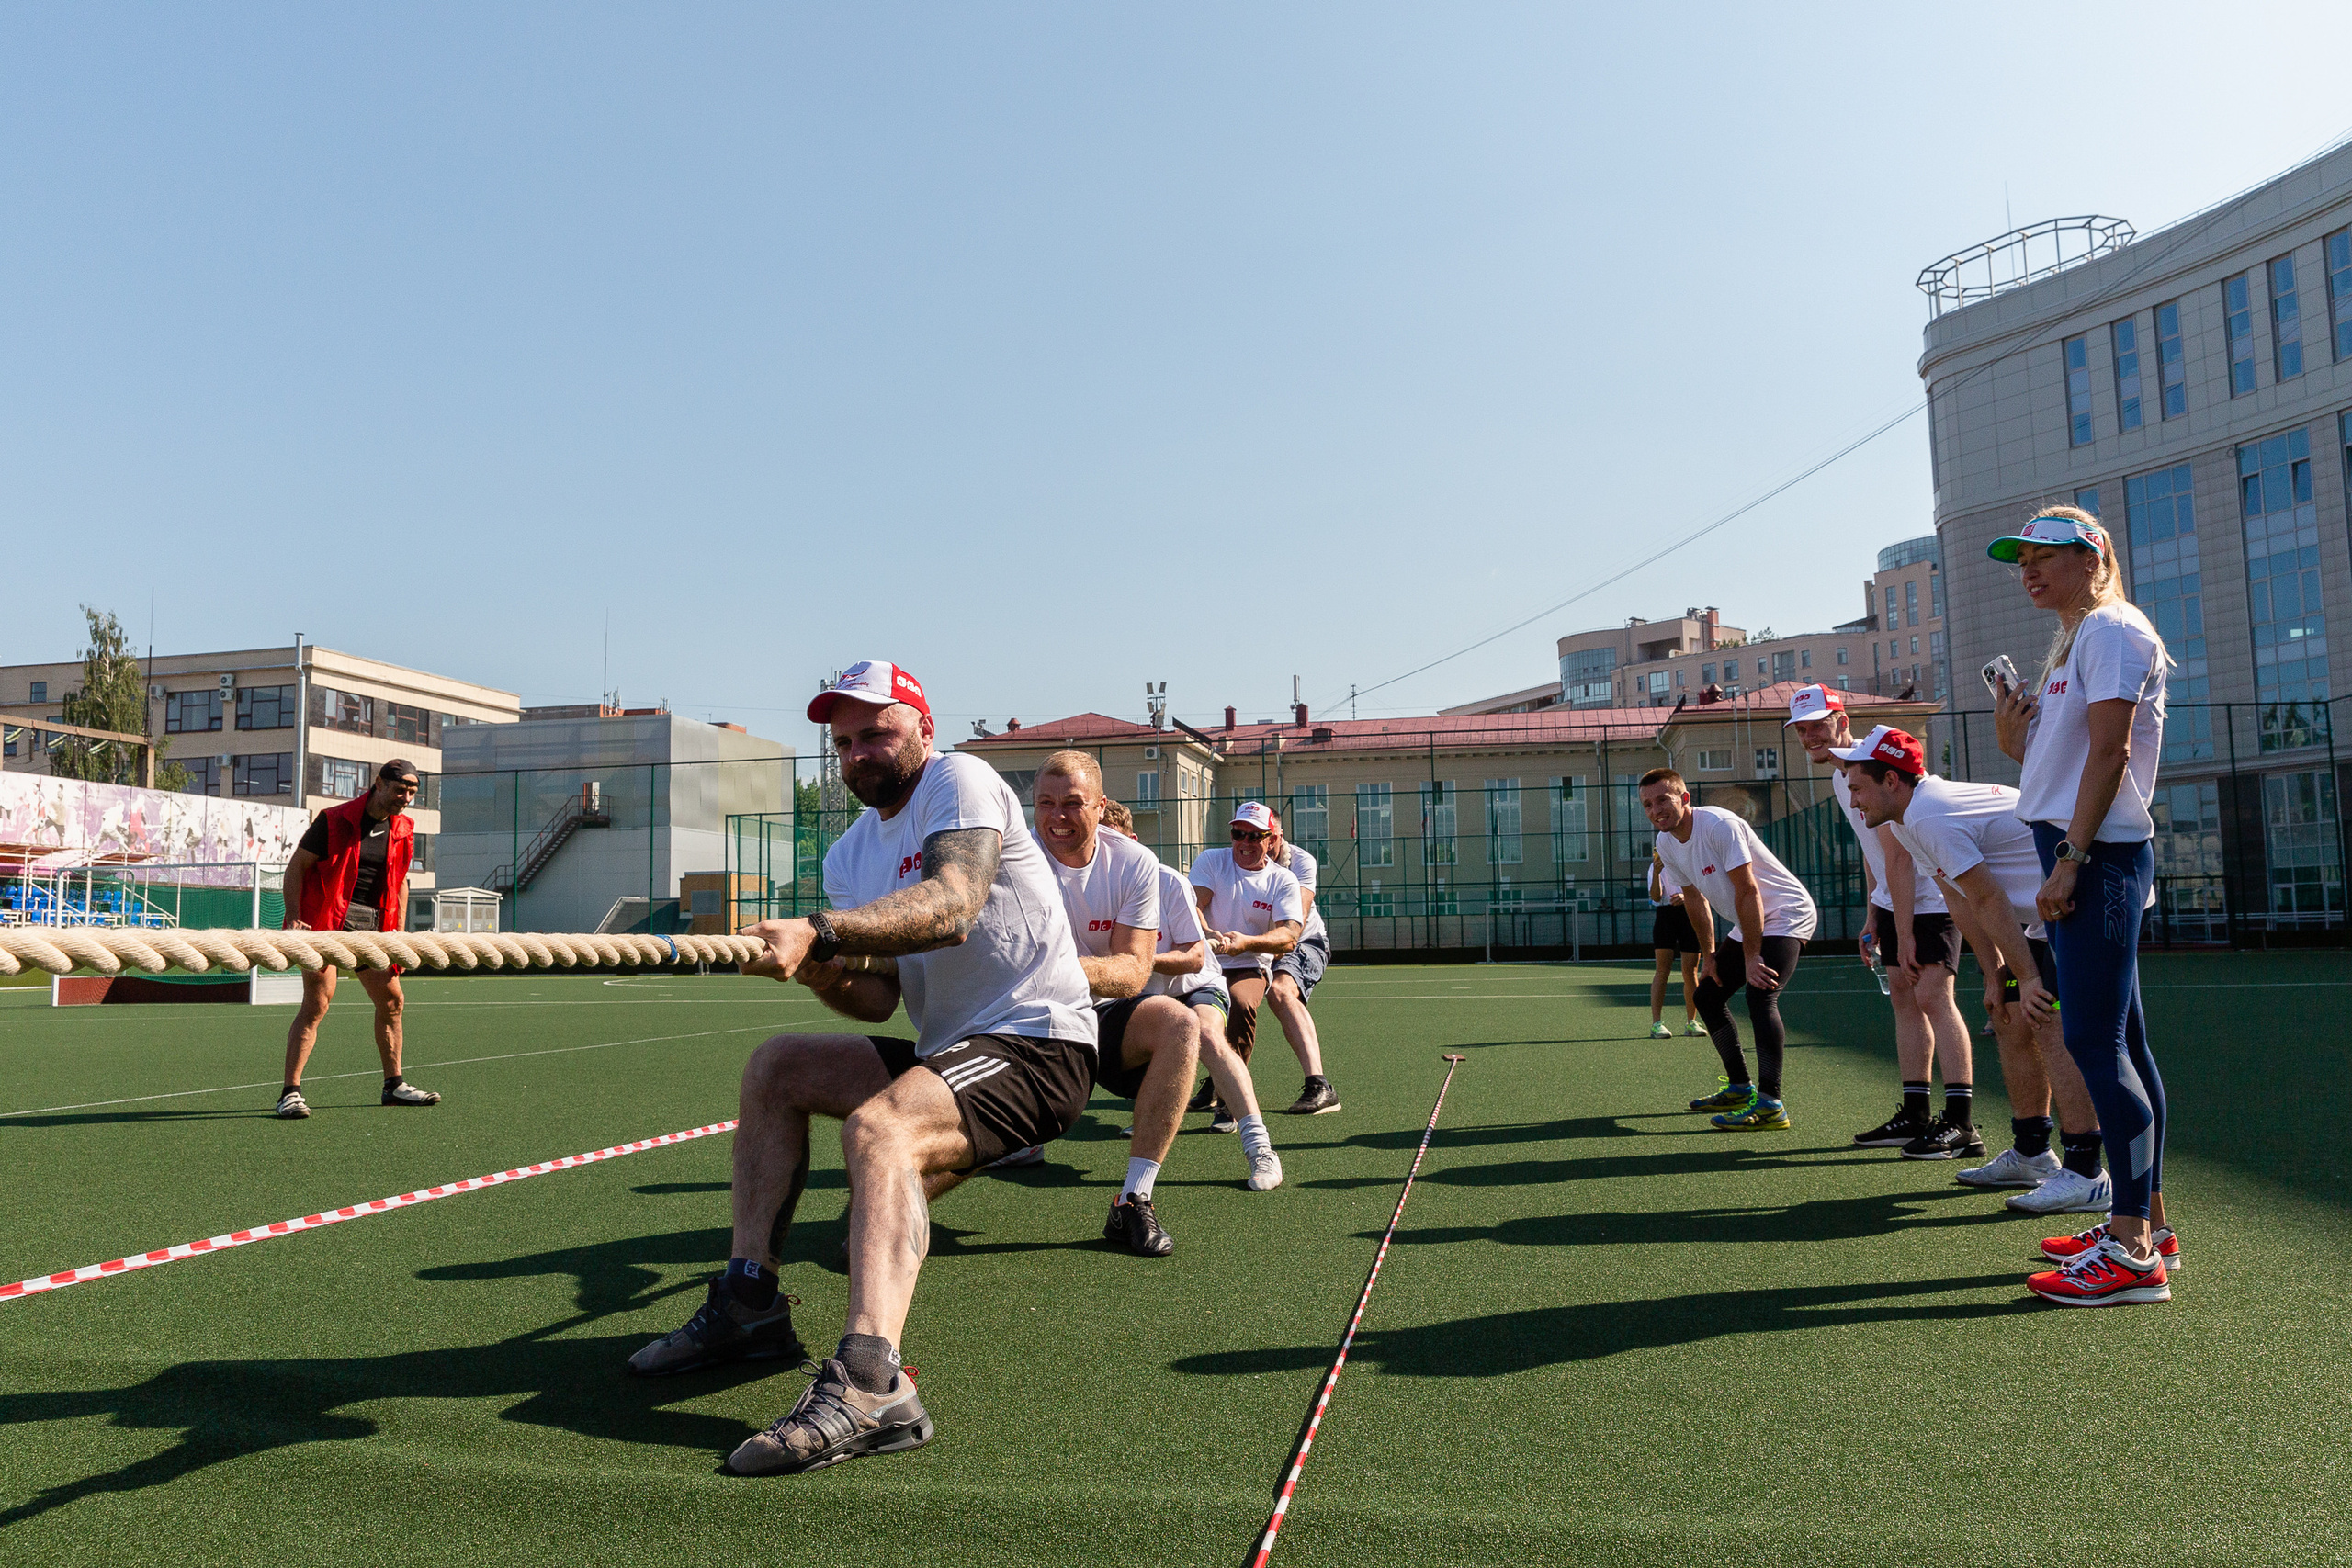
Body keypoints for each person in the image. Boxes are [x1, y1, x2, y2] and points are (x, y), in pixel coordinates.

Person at [626, 661, 1099, 1474]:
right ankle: (750, 1304)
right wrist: (828, 971)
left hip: (1039, 1044)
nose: (857, 753)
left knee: (880, 1128)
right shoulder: (851, 853)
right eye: (842, 741)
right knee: (777, 1066)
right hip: (947, 1046)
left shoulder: (961, 780)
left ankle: (873, 1382)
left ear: (922, 727)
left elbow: (953, 905)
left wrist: (825, 931)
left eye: (877, 730)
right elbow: (879, 1001)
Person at [1993, 508, 2179, 1304]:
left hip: (2096, 856)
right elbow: (2070, 758)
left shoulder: (2111, 629)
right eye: (2022, 560)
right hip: (2080, 850)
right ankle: (2151, 1224)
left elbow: (2110, 753)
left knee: (2094, 1042)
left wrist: (2070, 858)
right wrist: (2017, 743)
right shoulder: (2077, 640)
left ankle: (2134, 1250)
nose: (2029, 569)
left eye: (2046, 556)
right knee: (2122, 1041)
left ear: (2092, 557)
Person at [1836, 726, 2111, 1218]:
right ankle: (2031, 1153)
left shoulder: (1929, 816)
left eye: (1858, 787)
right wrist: (1994, 973)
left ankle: (2087, 1171)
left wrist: (2024, 978)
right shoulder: (1906, 819)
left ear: (1892, 781)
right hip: (2042, 919)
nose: (1852, 799)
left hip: (2081, 904)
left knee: (2048, 1025)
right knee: (2009, 1020)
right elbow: (1958, 898)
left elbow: (1987, 897)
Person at [1784, 684, 1975, 1158]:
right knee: (1905, 1002)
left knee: (1933, 996)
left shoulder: (1873, 762)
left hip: (1930, 896)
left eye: (1817, 725)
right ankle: (1915, 1113)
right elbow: (1874, 849)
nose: (1809, 736)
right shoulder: (1840, 774)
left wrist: (1906, 932)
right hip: (1895, 901)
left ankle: (1961, 1124)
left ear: (1841, 719)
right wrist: (1875, 910)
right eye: (1801, 729)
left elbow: (1902, 857)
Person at [1027, 751, 1204, 1255]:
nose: (1057, 816)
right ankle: (892, 1212)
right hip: (1019, 1018)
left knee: (1181, 1024)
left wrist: (1053, 970)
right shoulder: (1011, 860)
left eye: (1073, 803)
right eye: (1045, 803)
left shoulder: (1133, 862)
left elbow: (1131, 971)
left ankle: (1133, 1200)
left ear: (1101, 807)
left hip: (1097, 1012)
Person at [1101, 799, 1282, 1190]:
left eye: (1113, 843)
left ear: (1133, 843)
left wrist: (1137, 963)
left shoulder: (1167, 881)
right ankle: (1024, 1140)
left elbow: (1195, 957)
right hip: (1137, 998)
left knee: (1207, 1035)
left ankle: (1260, 1147)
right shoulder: (1084, 887)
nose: (1103, 853)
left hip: (1195, 984)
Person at [1639, 769, 1818, 1131]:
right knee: (1707, 996)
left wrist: (1752, 957)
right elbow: (1694, 898)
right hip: (1748, 921)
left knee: (1760, 994)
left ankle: (1770, 1105)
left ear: (1684, 798)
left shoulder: (1720, 825)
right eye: (1647, 804)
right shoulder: (1667, 844)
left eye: (1663, 800)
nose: (1656, 810)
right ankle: (1740, 1088)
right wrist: (1710, 956)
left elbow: (1748, 890)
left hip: (1784, 914)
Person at [275, 759, 438, 1119]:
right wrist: (294, 916)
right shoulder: (334, 820)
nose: (406, 798)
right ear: (378, 783)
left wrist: (399, 934)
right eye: (400, 790)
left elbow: (399, 883)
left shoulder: (404, 828)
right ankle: (290, 1093)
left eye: (412, 792)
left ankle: (393, 1085)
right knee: (317, 1005)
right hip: (328, 923)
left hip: (373, 928)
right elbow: (296, 867)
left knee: (393, 1001)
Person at [1188, 803, 1305, 1122]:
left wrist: (1246, 943)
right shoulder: (1212, 860)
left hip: (1249, 964)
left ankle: (1229, 1101)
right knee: (1171, 1015)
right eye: (1239, 834)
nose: (1245, 843)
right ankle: (1162, 1101)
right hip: (1205, 962)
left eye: (1255, 836)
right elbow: (1194, 903)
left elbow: (1290, 935)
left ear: (1271, 840)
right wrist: (1210, 932)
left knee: (1239, 1004)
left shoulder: (1282, 880)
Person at [1263, 809, 1340, 1113]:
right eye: (1242, 834)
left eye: (1262, 837)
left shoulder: (1301, 861)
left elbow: (1299, 915)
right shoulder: (1233, 861)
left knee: (1280, 992)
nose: (1251, 842)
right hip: (1257, 944)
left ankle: (1320, 1085)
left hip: (1303, 942)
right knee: (1228, 998)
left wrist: (1272, 947)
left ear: (1279, 837)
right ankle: (1220, 1084)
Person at [1645, 851, 1703, 1040]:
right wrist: (1655, 873)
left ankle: (1691, 1023)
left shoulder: (1692, 861)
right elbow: (1655, 897)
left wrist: (1686, 898)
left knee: (1691, 972)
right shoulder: (1656, 867)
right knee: (1662, 970)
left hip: (1690, 916)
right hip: (1665, 917)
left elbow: (1704, 890)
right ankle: (1656, 1024)